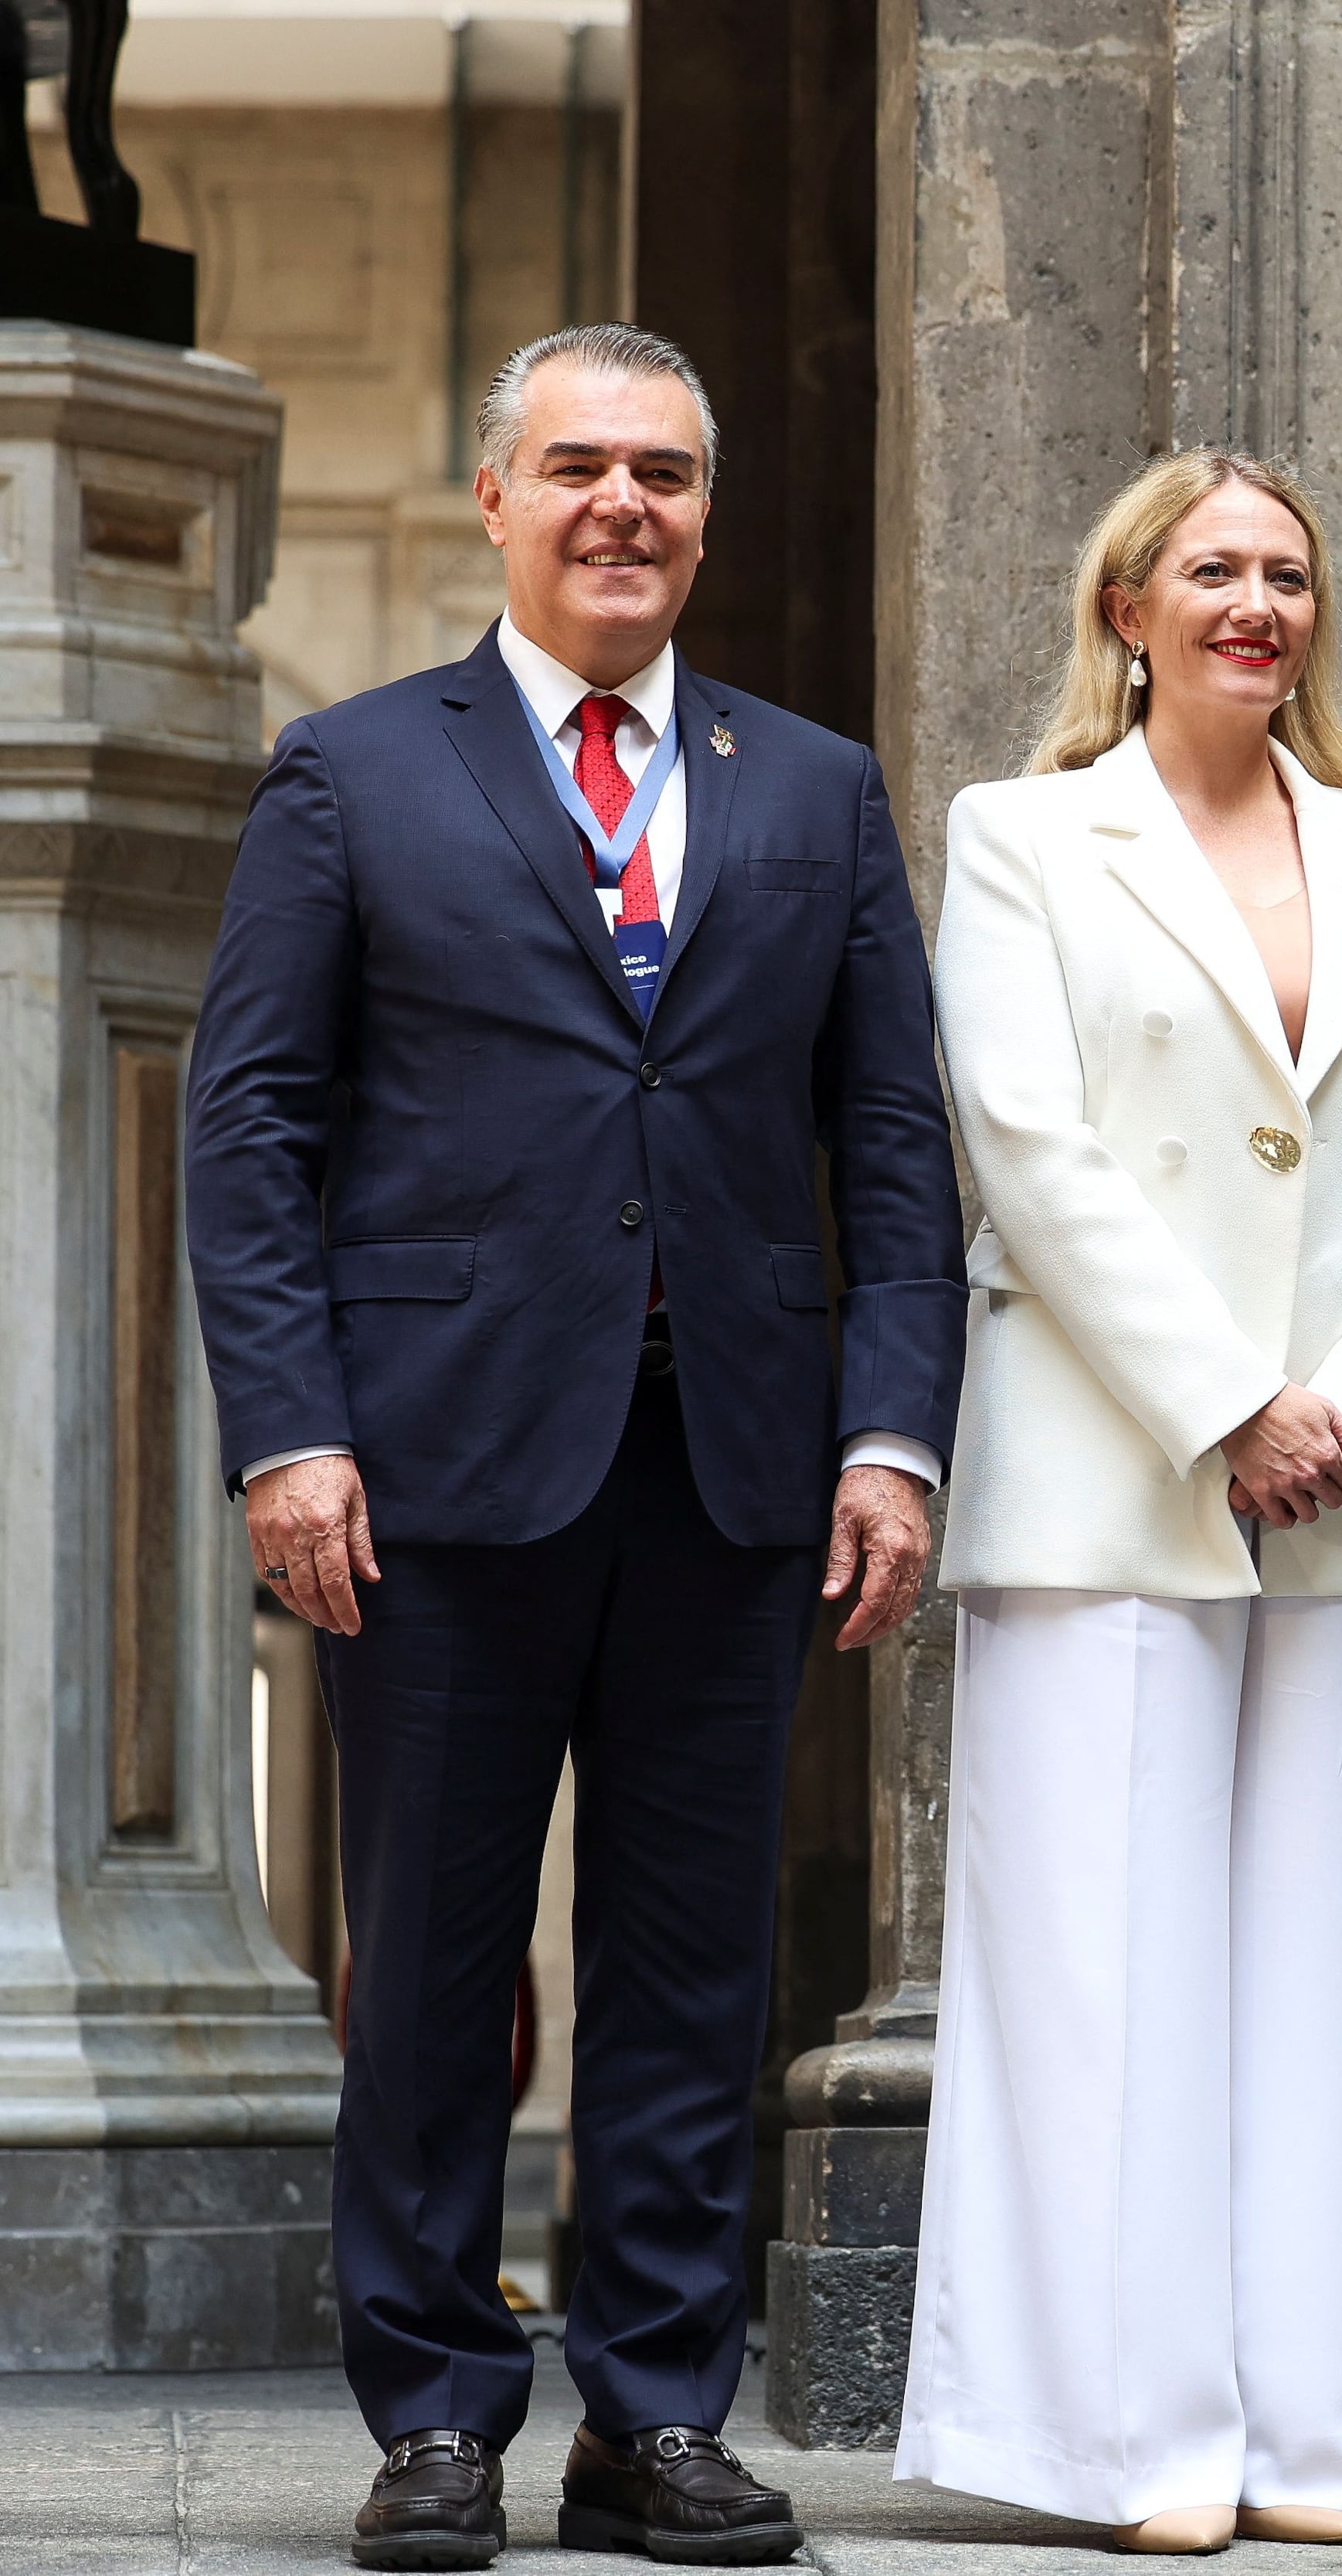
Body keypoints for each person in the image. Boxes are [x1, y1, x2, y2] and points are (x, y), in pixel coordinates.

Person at [184, 324, 964, 2573]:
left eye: (667, 474)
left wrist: (892, 1431)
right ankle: (435, 2416)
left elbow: (890, 1139)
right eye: (581, 469)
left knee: (691, 1961)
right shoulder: (352, 774)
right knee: (427, 1955)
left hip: (733, 1461)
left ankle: (652, 2412)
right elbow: (252, 1134)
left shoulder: (813, 787)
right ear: (500, 499)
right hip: (427, 1467)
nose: (624, 506)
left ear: (708, 514)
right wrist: (290, 1433)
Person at [895, 450, 1342, 2554]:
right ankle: (1123, 2447)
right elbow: (1026, 1149)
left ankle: (1325, 2446)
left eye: (1289, 574)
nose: (1257, 604)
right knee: (1101, 1971)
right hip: (1108, 1470)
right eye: (1215, 571)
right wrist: (1231, 1400)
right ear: (1127, 606)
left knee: (1331, 1971)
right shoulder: (1026, 837)